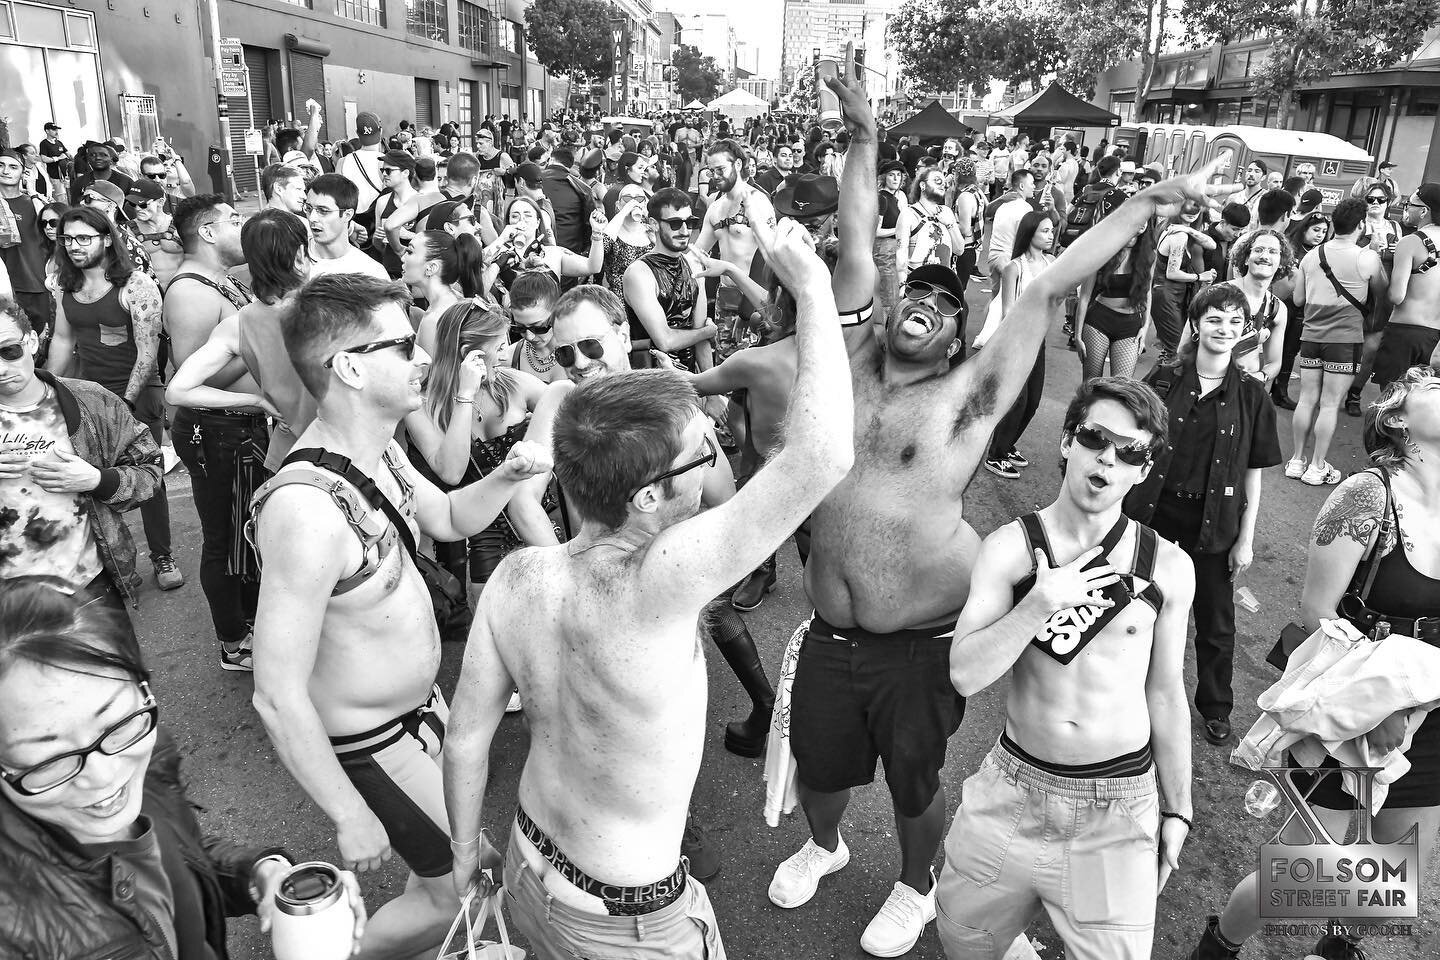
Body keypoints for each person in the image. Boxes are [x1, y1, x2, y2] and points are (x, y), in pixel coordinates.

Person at [769, 69, 1235, 956]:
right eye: (923, 294)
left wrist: (1151, 203)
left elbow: (1047, 283)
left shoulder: (966, 402)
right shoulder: (848, 362)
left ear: (959, 340)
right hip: (827, 627)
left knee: (912, 781)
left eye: (951, 306)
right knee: (821, 767)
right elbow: (859, 236)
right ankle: (824, 845)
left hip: (919, 637)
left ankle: (914, 881)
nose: (930, 306)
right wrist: (864, 135)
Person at [442, 218, 854, 960]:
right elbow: (820, 456)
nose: (711, 459)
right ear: (647, 500)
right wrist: (815, 290)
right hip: (623, 926)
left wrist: (465, 851)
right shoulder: (663, 581)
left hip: (526, 871)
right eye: (700, 455)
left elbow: (467, 734)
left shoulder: (515, 577)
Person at [247, 273, 550, 959]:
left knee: (457, 875)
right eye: (404, 345)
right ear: (350, 366)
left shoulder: (375, 447)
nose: (423, 360)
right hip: (374, 745)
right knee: (466, 888)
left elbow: (442, 516)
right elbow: (275, 694)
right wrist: (348, 813)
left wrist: (506, 477)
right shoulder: (305, 510)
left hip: (422, 717)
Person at [1187, 367, 1440, 960]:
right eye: (1437, 389)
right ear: (1398, 420)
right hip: (1357, 705)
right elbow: (1317, 613)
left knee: (1398, 864)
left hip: (1434, 715)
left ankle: (1336, 948)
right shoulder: (1367, 494)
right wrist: (1384, 706)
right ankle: (1220, 946)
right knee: (1304, 867)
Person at [938, 377, 1194, 959]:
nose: (1107, 457)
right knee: (963, 942)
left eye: (1129, 451)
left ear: (1144, 469)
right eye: (1095, 438)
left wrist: (1177, 808)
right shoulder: (1010, 548)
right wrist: (1037, 603)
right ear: (1066, 442)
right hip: (1012, 790)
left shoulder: (1168, 568)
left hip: (1117, 806)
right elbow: (964, 674)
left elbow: (1166, 694)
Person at [0, 579, 369, 958]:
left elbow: (176, 853)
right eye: (49, 759)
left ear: (142, 689)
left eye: (115, 722)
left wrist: (259, 874)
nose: (104, 777)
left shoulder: (146, 759)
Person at [1124, 284, 1283, 746]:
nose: (1224, 329)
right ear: (1197, 324)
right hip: (1154, 514)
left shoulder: (1253, 395)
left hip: (1214, 522)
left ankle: (1215, 706)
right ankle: (1131, 686)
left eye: (1235, 322)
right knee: (1137, 605)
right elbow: (1136, 443)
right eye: (1215, 319)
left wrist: (1246, 539)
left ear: (1245, 331)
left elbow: (1253, 474)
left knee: (1216, 623)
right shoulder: (1164, 378)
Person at [44, 206, 182, 591]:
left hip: (137, 393)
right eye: (67, 238)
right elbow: (63, 340)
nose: (73, 246)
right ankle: (110, 563)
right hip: (86, 393)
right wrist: (51, 386)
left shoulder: (135, 285)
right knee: (89, 480)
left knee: (147, 478)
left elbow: (147, 352)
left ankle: (162, 555)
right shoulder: (64, 284)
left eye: (83, 238)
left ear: (106, 239)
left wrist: (123, 403)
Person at [0, 300, 161, 617]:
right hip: (10, 602)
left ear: (31, 341)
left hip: (89, 586)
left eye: (9, 351)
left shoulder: (91, 401)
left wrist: (98, 480)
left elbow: (151, 471)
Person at [162, 195, 265, 671]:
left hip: (243, 428)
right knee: (223, 539)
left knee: (250, 532)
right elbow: (192, 378)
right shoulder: (189, 291)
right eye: (234, 220)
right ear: (207, 232)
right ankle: (233, 641)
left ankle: (252, 623)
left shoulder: (223, 280)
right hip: (215, 434)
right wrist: (257, 350)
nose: (241, 227)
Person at [167, 210, 316, 473]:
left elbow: (177, 391)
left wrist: (257, 401)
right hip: (345, 452)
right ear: (301, 255)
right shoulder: (336, 309)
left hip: (288, 458)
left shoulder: (239, 323)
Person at [1287, 197, 1387, 486]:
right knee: (1330, 404)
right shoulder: (1366, 258)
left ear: (1333, 224)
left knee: (1307, 399)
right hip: (1344, 340)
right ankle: (1317, 466)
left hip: (1311, 336)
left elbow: (1298, 299)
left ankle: (1296, 460)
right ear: (1361, 225)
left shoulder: (1312, 255)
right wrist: (1376, 253)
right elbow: (1382, 291)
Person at [984, 211, 1056, 479]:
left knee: (1033, 401)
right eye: (1045, 231)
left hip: (1040, 341)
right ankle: (996, 454)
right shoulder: (1014, 267)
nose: (1050, 236)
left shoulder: (1052, 263)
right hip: (1018, 341)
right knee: (1018, 400)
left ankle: (1008, 444)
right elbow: (1007, 312)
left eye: (1051, 231)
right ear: (1030, 233)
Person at [623, 188, 718, 372]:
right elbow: (665, 340)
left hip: (688, 380)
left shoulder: (694, 266)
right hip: (651, 383)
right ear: (654, 224)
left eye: (689, 222)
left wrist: (711, 393)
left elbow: (701, 341)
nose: (684, 230)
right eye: (675, 223)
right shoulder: (639, 273)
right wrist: (707, 332)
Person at [1074, 195, 1155, 380]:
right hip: (1099, 321)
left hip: (1131, 326)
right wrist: (1078, 335)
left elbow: (1148, 292)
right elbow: (1085, 296)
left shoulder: (1148, 254)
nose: (1141, 224)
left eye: (1145, 220)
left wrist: (1145, 326)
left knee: (1121, 388)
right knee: (1092, 384)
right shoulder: (1102, 250)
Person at [1374, 184, 1440, 392]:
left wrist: (1377, 269)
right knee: (1421, 406)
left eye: (1409, 204)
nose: (1405, 208)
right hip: (1434, 338)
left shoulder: (1410, 242)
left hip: (1404, 332)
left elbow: (1396, 295)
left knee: (1390, 403)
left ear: (1424, 211)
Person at [1271, 210, 1332, 410]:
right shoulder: (1288, 249)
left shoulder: (1323, 253)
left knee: (1290, 351)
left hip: (1304, 310)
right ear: (1304, 228)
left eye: (1323, 231)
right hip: (1281, 306)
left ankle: (1280, 392)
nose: (1319, 234)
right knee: (1271, 348)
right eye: (1315, 229)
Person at [1151, 201, 1218, 361]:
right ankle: (1158, 383)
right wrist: (1201, 277)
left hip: (1172, 295)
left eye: (1196, 206)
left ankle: (1161, 382)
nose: (1192, 210)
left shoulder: (1180, 231)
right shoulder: (1179, 236)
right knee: (1176, 351)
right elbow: (1172, 273)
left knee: (1173, 351)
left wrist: (1187, 228)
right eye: (1187, 205)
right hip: (1167, 295)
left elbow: (1212, 245)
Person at [0, 148, 50, 342]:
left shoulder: (34, 202)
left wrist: (32, 191)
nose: (6, 171)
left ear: (23, 172)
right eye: (1, 165)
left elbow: (50, 230)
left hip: (35, 283)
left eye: (13, 167)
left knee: (41, 340)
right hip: (5, 288)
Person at [306, 173, 389, 280]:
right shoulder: (291, 257)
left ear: (347, 215)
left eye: (323, 211)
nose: (312, 218)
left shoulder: (370, 272)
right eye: (308, 208)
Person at [897, 166, 962, 282]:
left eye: (944, 182)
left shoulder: (946, 212)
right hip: (918, 282)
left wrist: (949, 225)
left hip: (945, 283)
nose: (943, 185)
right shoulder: (909, 214)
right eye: (937, 181)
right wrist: (902, 284)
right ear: (922, 185)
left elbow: (959, 250)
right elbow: (901, 253)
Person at [874, 160, 907, 318]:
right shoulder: (882, 198)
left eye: (898, 175)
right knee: (889, 298)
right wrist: (900, 229)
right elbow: (875, 231)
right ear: (883, 178)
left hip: (893, 249)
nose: (895, 179)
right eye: (891, 175)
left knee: (894, 296)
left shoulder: (894, 198)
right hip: (884, 251)